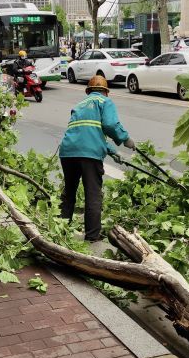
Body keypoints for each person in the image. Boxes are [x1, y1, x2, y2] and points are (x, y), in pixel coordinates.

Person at [58, 76, 135, 241]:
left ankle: (59, 230)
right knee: (93, 194)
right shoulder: (104, 102)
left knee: (69, 193)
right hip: (89, 155)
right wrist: (125, 139)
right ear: (106, 92)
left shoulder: (78, 105)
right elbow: (110, 125)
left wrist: (113, 152)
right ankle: (92, 236)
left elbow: (87, 133)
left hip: (68, 152)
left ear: (88, 91)